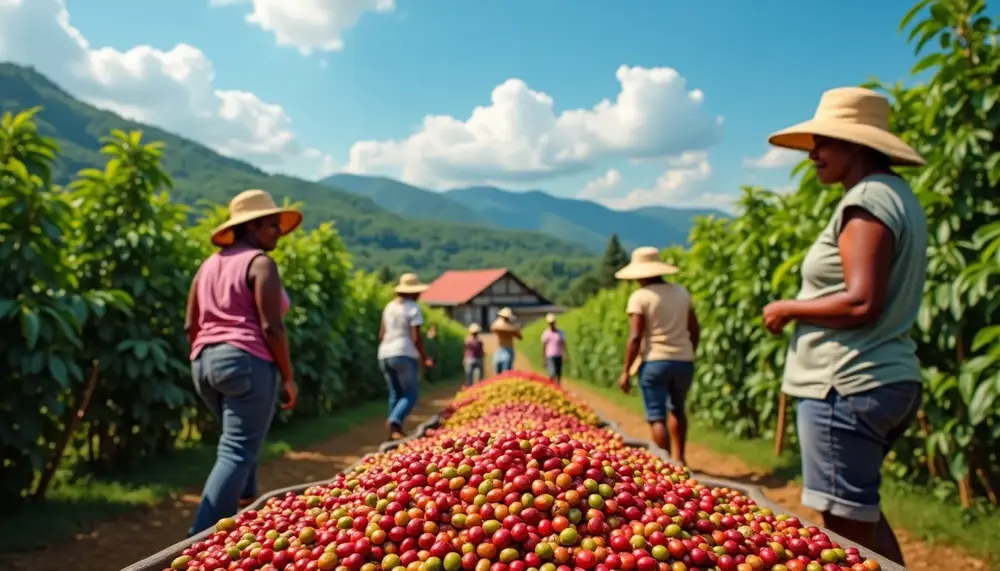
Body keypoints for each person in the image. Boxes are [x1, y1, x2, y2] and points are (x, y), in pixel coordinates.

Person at [761, 87, 927, 566]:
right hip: (882, 375)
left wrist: (788, 307)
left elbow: (861, 302)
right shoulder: (898, 196)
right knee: (862, 515)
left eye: (824, 143)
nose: (813, 154)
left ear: (856, 144)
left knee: (847, 533)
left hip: (846, 382)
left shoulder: (868, 200)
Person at [184, 189, 301, 536]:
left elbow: (191, 324)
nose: (278, 232)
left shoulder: (207, 266)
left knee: (238, 442)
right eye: (271, 225)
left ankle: (246, 500)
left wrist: (208, 357)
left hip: (204, 364)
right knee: (236, 450)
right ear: (250, 227)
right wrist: (289, 377)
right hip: (245, 361)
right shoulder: (260, 263)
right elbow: (272, 327)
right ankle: (199, 541)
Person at [615, 246, 700, 467]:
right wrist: (689, 352)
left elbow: (635, 337)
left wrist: (625, 371)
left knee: (656, 416)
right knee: (678, 409)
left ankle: (666, 464)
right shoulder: (681, 293)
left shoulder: (640, 297)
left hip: (655, 361)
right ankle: (680, 458)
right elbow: (694, 329)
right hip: (683, 361)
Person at [378, 273, 434, 440]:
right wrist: (425, 357)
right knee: (410, 393)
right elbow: (416, 337)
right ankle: (395, 421)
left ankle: (393, 432)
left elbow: (381, 334)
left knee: (395, 392)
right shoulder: (413, 308)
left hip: (384, 353)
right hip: (403, 352)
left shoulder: (389, 307)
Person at [490, 307, 521, 374]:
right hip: (500, 349)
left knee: (507, 370)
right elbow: (493, 328)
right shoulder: (498, 323)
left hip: (508, 349)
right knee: (497, 369)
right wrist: (510, 329)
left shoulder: (512, 325)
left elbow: (519, 337)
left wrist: (511, 330)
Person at [540, 313, 567, 383]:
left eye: (552, 323)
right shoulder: (546, 333)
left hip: (558, 355)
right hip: (550, 356)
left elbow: (563, 344)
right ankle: (551, 386)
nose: (551, 324)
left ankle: (558, 388)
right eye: (550, 323)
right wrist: (543, 358)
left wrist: (565, 354)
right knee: (552, 373)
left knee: (558, 374)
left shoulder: (560, 332)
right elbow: (544, 346)